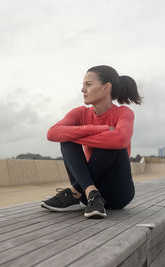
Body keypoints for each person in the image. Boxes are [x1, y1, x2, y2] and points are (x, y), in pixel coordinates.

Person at [41, 65, 142, 219]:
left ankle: (73, 192)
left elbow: (120, 139)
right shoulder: (80, 113)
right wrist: (99, 128)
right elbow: (52, 133)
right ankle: (91, 193)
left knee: (112, 144)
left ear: (106, 87)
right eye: (83, 85)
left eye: (88, 85)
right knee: (67, 141)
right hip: (87, 196)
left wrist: (75, 134)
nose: (83, 90)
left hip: (119, 193)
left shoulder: (123, 113)